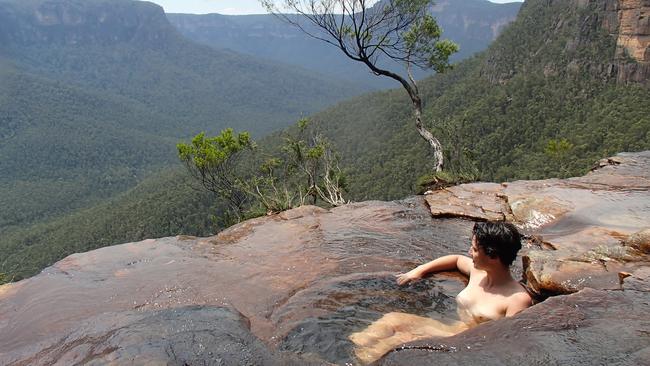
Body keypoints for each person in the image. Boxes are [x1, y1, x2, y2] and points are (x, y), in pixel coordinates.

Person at [349, 221, 532, 363]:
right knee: (392, 318)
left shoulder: (517, 299)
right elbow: (455, 259)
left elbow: (506, 343)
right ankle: (351, 350)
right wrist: (419, 270)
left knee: (396, 342)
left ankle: (358, 361)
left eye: (475, 249)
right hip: (453, 328)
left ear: (493, 256)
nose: (470, 252)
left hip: (463, 343)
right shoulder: (479, 272)